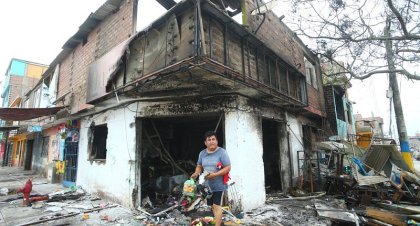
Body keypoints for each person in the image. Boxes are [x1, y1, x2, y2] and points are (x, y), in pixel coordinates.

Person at [191, 131, 231, 226]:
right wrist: (196, 173)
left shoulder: (222, 152)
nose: (211, 141)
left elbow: (228, 167)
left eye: (213, 139)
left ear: (217, 141)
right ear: (205, 142)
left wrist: (216, 174)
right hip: (207, 186)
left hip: (219, 185)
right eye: (209, 140)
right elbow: (199, 165)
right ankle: (216, 221)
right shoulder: (202, 153)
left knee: (217, 206)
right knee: (211, 206)